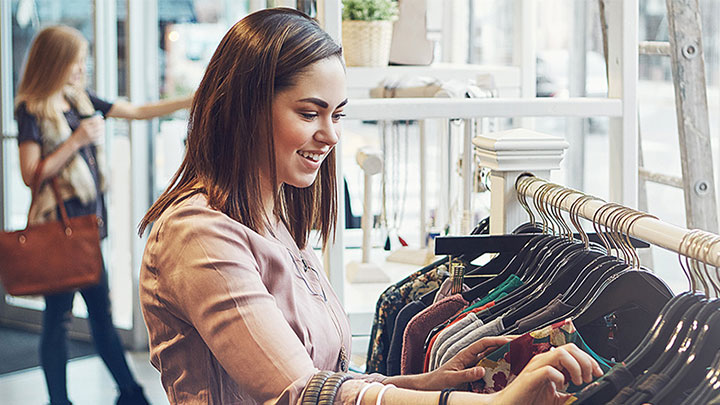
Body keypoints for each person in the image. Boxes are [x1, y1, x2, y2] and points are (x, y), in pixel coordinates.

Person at [137, 8, 602, 405]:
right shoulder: (197, 233)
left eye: (337, 114)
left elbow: (328, 383)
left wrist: (425, 384)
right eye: (309, 113)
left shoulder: (274, 218)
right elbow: (300, 393)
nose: (331, 135)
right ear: (246, 108)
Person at [15, 25, 193, 405]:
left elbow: (139, 111)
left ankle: (128, 393)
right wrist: (76, 141)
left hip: (88, 228)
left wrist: (190, 100)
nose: (81, 68)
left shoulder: (79, 100)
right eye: (75, 61)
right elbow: (30, 173)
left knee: (98, 312)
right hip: (59, 230)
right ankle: (101, 396)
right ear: (55, 63)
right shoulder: (33, 109)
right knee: (61, 317)